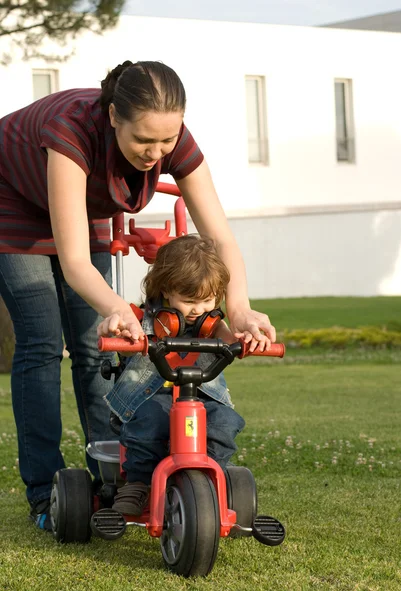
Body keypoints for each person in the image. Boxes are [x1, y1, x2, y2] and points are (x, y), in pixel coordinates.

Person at [0, 60, 275, 531]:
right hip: (13, 199)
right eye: (143, 141)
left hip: (80, 208)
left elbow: (221, 238)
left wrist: (241, 309)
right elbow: (75, 263)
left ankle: (114, 478)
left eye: (166, 141)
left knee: (97, 348)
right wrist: (115, 308)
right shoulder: (71, 133)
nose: (156, 152)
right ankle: (45, 493)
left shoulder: (174, 141)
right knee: (44, 343)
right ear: (112, 118)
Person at [105, 234, 245, 515]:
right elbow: (125, 334)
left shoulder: (211, 324)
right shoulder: (140, 319)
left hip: (202, 397)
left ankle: (210, 478)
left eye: (208, 301)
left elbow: (231, 340)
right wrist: (121, 333)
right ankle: (138, 483)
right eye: (190, 301)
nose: (199, 310)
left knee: (224, 422)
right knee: (149, 424)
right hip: (150, 398)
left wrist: (246, 341)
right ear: (167, 290)